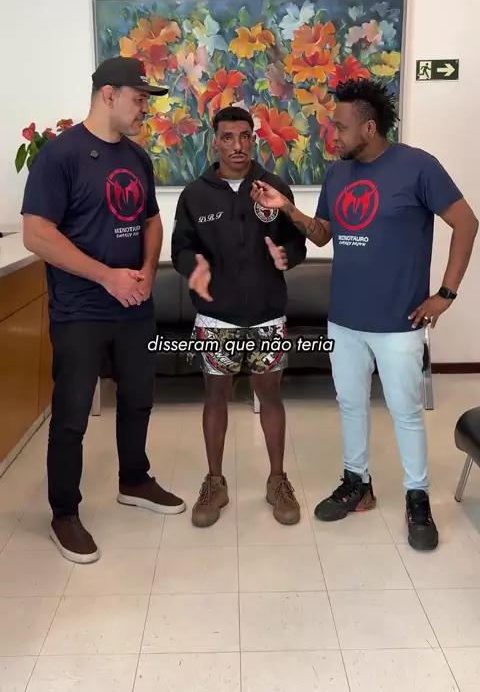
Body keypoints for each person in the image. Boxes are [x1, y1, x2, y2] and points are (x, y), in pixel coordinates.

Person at [251, 77, 478, 551]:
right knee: (351, 404)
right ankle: (358, 484)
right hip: (345, 319)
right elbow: (322, 234)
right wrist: (287, 208)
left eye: (340, 126)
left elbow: (466, 222)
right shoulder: (338, 174)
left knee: (405, 412)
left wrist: (446, 294)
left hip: (399, 321)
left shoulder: (418, 167)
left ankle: (417, 498)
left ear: (369, 128)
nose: (332, 134)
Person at [21, 56, 186, 564]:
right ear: (108, 94)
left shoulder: (136, 157)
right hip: (81, 310)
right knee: (72, 414)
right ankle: (64, 513)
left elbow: (152, 220)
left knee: (138, 399)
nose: (145, 109)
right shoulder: (59, 156)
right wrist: (106, 276)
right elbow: (37, 234)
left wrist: (146, 270)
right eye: (139, 99)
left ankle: (134, 480)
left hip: (133, 306)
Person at [171, 106, 307, 528]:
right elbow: (181, 247)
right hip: (217, 317)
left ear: (253, 139)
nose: (237, 145)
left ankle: (277, 480)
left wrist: (287, 256)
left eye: (245, 136)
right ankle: (215, 482)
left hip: (267, 314)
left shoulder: (273, 186)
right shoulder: (195, 194)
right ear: (215, 141)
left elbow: (297, 242)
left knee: (270, 396)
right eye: (228, 137)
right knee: (216, 397)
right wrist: (193, 265)